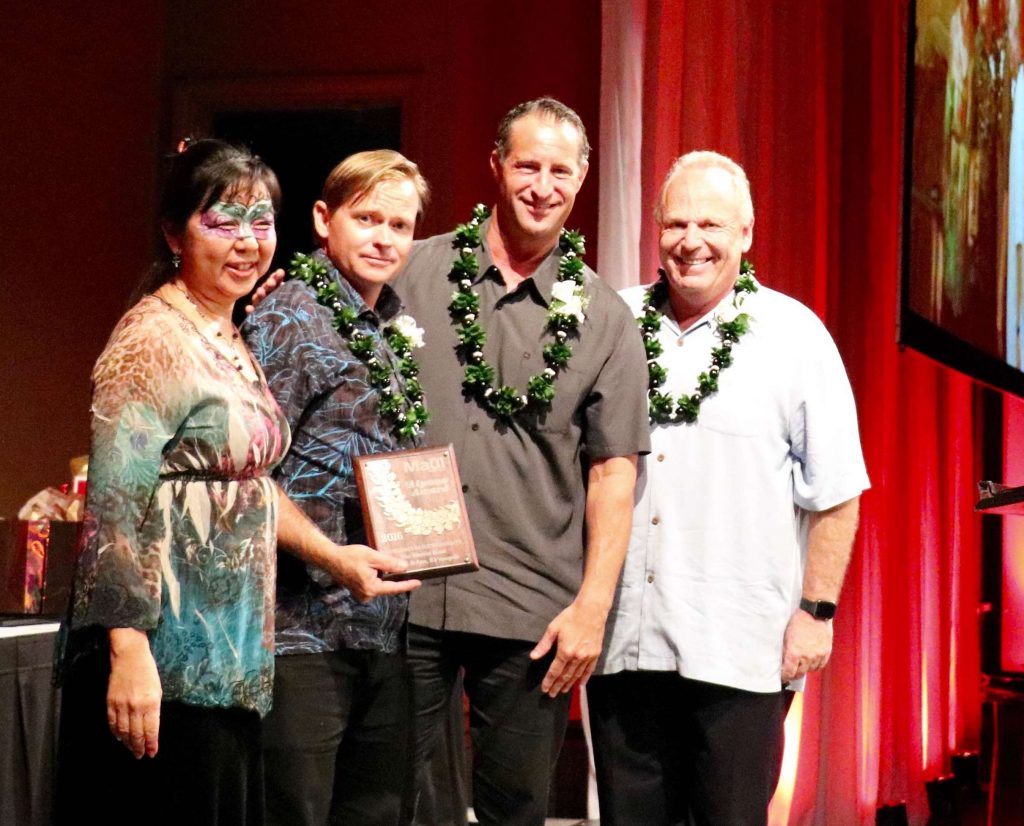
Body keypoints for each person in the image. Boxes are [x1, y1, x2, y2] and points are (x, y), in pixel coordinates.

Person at [56, 139, 410, 826]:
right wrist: (129, 655)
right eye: (223, 222)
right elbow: (113, 513)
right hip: (166, 666)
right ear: (173, 233)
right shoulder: (151, 341)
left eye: (261, 220)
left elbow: (248, 485)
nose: (247, 242)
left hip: (231, 665)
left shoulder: (228, 333)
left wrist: (337, 559)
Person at [587, 151, 870, 826]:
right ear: (655, 230)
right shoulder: (614, 323)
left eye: (711, 224)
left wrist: (817, 612)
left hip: (741, 648)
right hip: (625, 640)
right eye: (677, 223)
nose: (692, 241)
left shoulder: (795, 336)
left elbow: (837, 494)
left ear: (746, 233)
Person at [396, 98, 651, 826]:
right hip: (404, 594)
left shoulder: (605, 319)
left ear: (582, 181)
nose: (543, 185)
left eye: (560, 171)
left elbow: (613, 473)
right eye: (528, 165)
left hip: (530, 610)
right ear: (496, 167)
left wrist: (592, 611)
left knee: (516, 809)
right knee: (392, 801)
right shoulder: (411, 271)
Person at [243, 149, 428, 826]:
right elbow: (246, 475)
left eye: (400, 225)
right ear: (324, 219)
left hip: (377, 629)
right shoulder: (287, 317)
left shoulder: (391, 322)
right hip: (297, 632)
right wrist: (329, 557)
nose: (384, 237)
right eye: (367, 217)